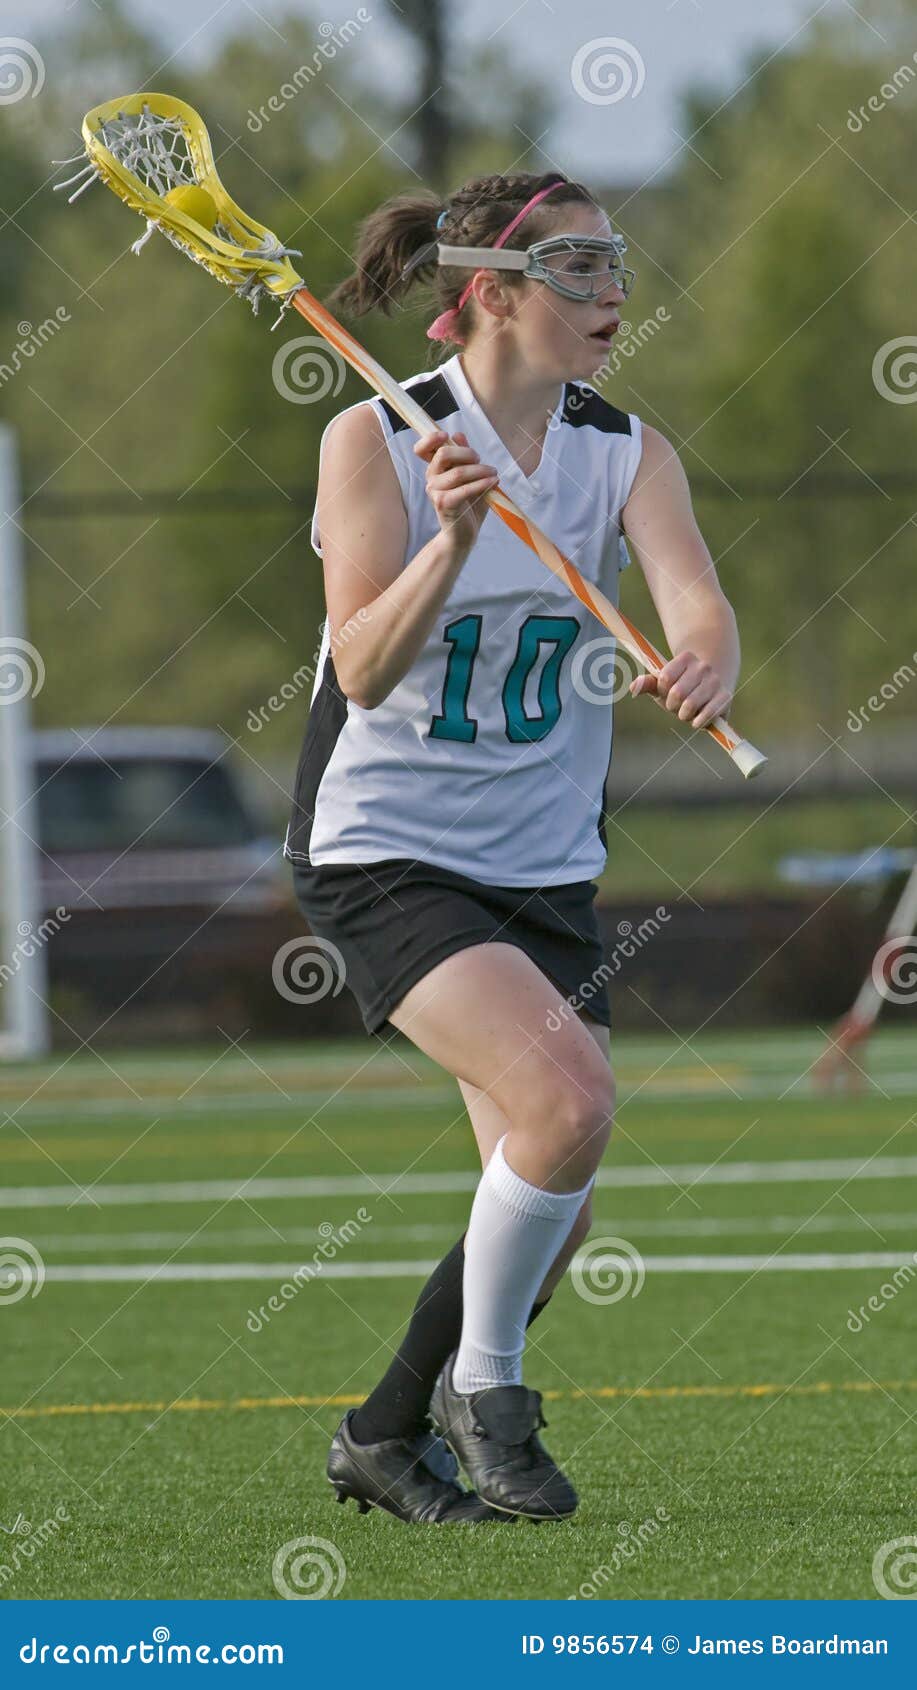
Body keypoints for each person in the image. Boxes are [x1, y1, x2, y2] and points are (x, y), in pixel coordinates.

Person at [285, 170, 740, 1523]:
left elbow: (696, 605)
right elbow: (362, 665)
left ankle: (379, 1433)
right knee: (570, 1108)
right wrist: (457, 538)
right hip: (389, 846)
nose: (613, 295)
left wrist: (704, 663)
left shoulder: (621, 450)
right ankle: (491, 1401)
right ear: (491, 291)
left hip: (539, 858)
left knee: (553, 1200)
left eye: (617, 266)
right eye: (581, 269)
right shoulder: (378, 444)